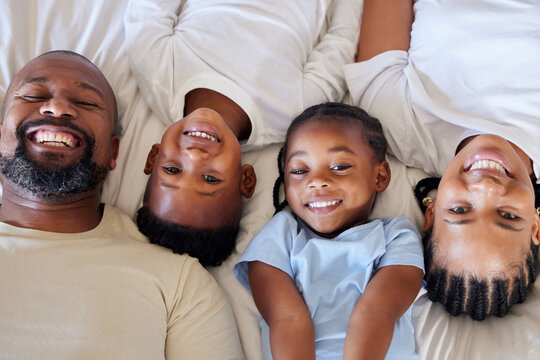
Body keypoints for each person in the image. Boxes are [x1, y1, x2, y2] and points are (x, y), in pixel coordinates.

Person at [0, 50, 245, 359]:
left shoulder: (179, 282)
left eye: (86, 103)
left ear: (113, 151)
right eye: (34, 95)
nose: (58, 107)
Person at [124, 0, 363, 266]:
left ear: (153, 156)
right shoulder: (294, 112)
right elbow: (342, 39)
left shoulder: (155, 70)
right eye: (210, 178)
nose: (193, 155)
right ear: (247, 179)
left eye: (172, 170)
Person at [345, 0, 540, 320]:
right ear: (535, 224)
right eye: (506, 215)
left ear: (432, 211)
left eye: (461, 210)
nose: (486, 190)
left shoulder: (394, 120)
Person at [233, 103, 424, 359]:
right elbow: (287, 318)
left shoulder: (396, 235)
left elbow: (377, 311)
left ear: (380, 176)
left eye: (340, 167)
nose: (316, 180)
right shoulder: (279, 234)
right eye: (300, 171)